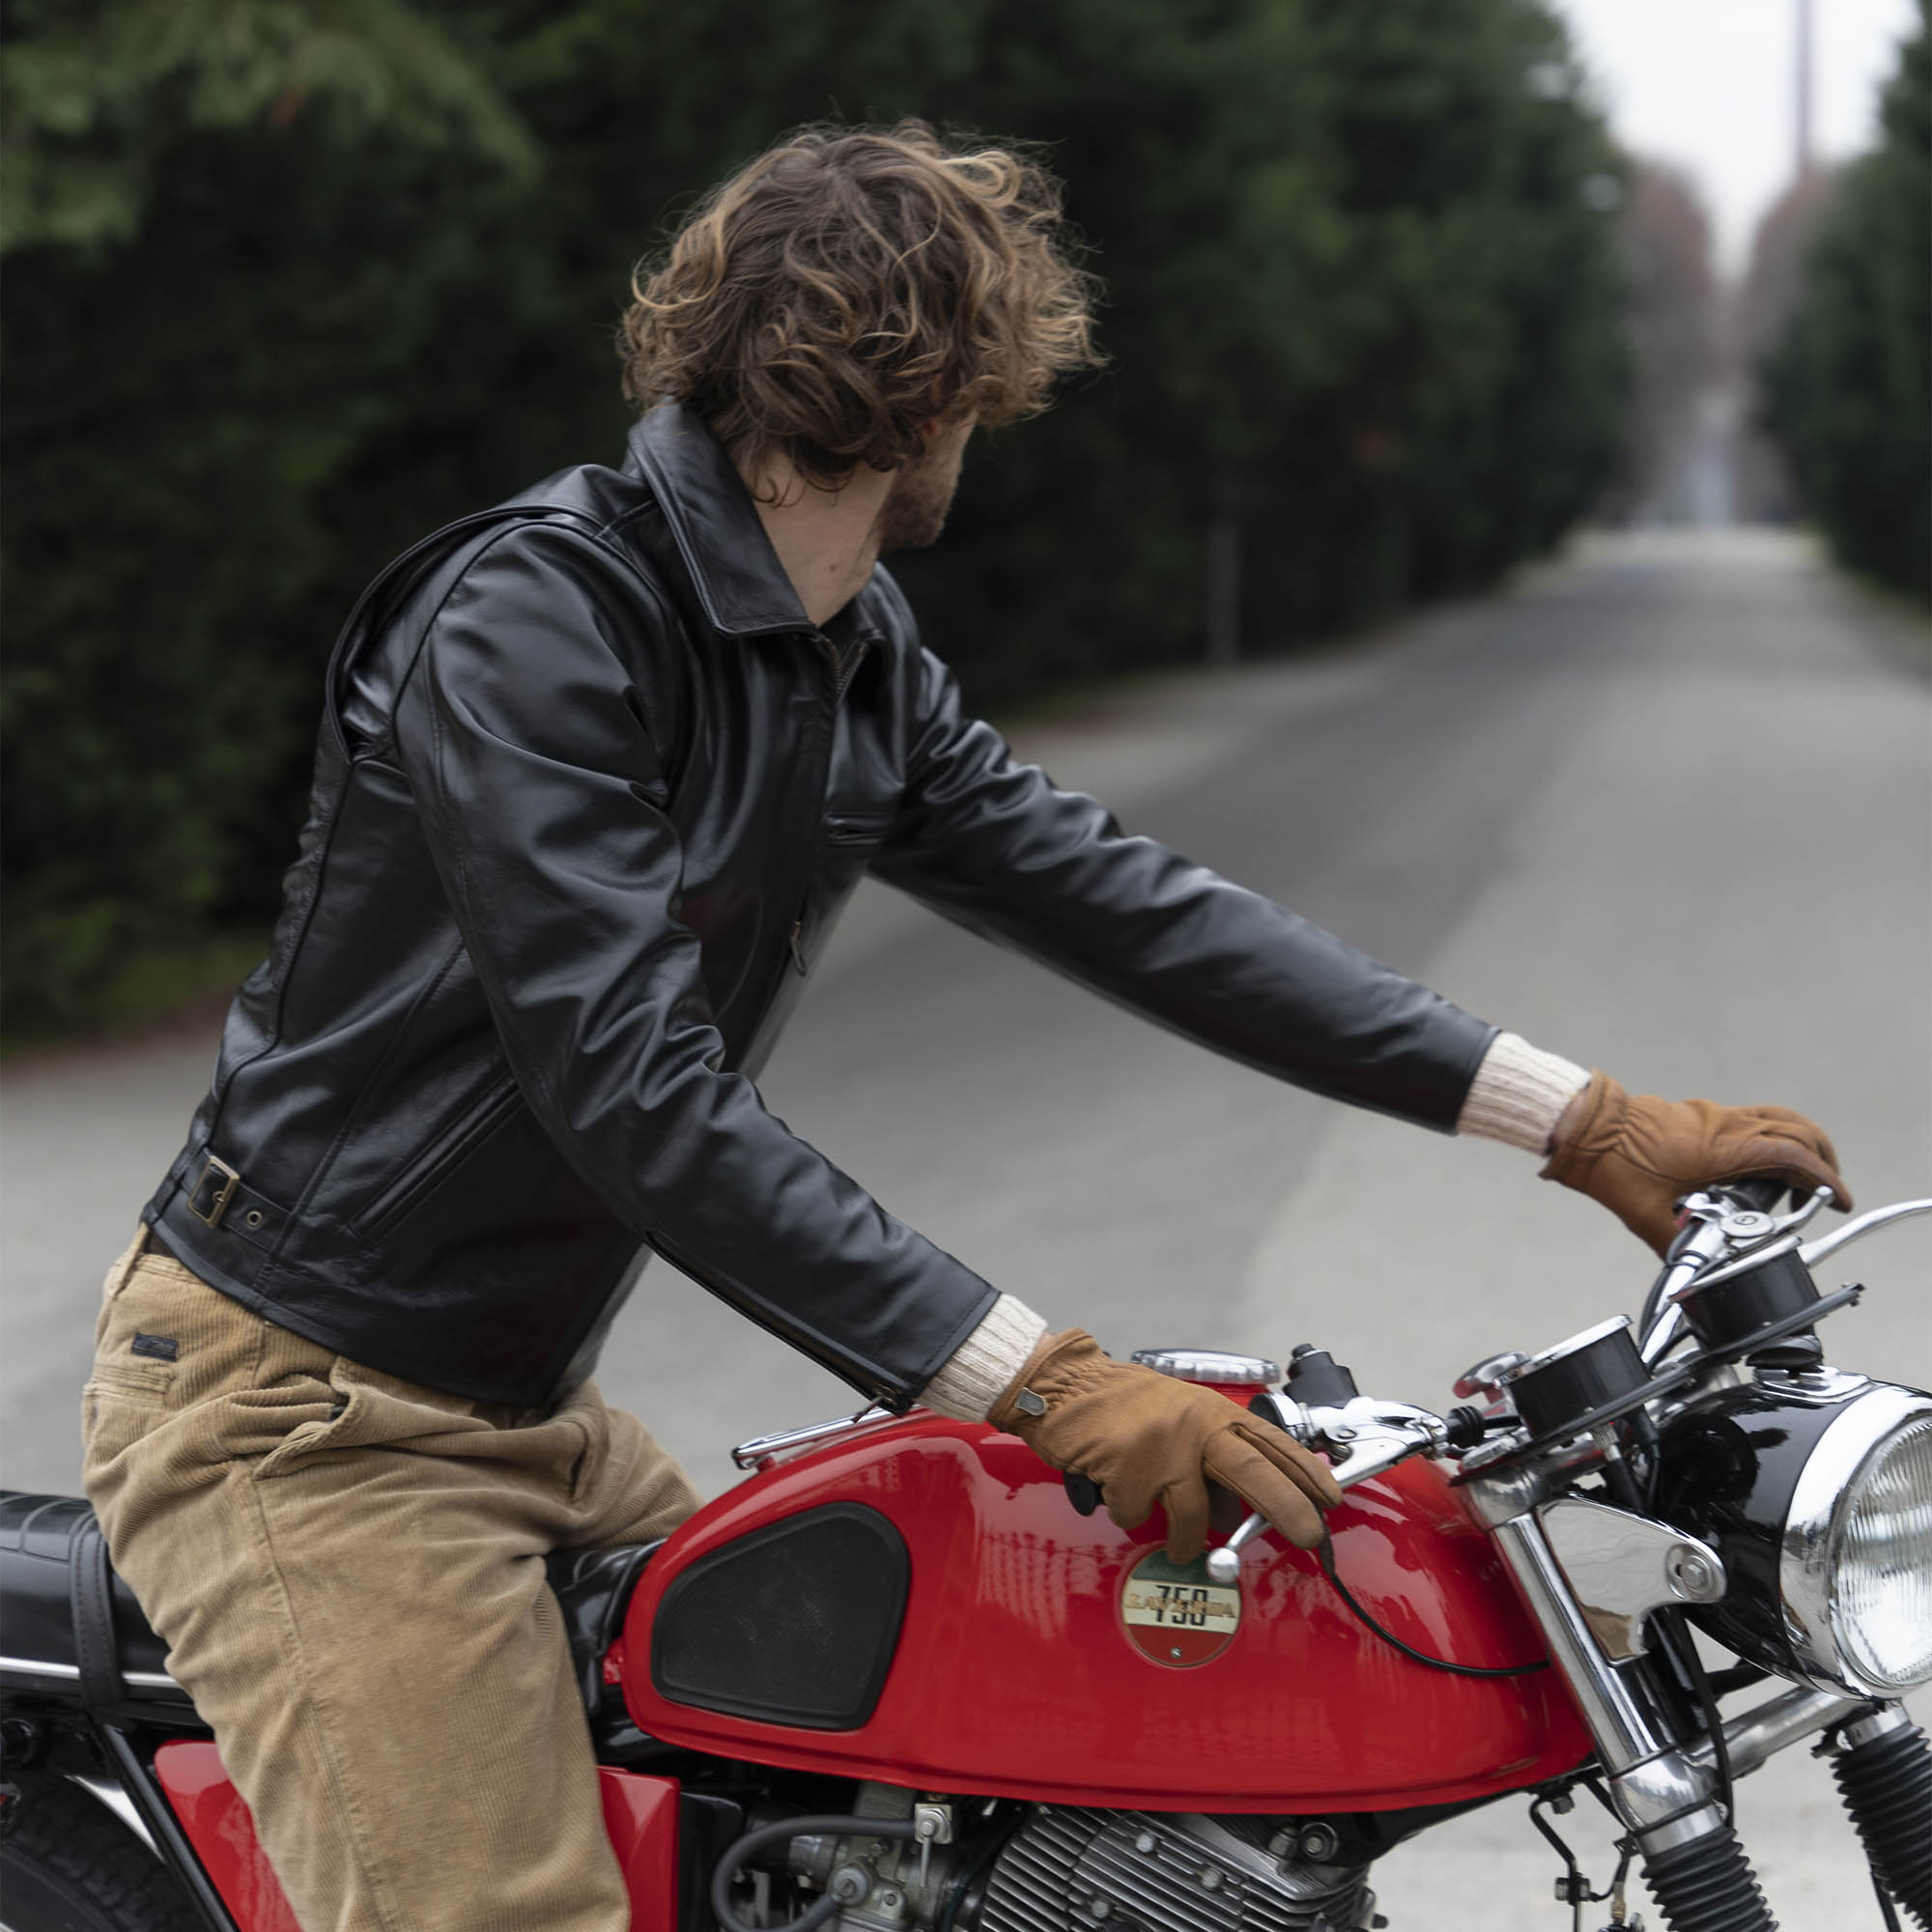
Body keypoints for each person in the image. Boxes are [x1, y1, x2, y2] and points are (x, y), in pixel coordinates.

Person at [80, 123, 1849, 1932]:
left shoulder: (843, 648)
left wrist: (1582, 1120)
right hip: (309, 1422)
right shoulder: (536, 619)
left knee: (842, 1842)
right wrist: (1046, 1384)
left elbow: (1121, 902)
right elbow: (636, 1093)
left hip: (526, 1413)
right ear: (942, 401)